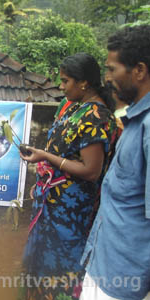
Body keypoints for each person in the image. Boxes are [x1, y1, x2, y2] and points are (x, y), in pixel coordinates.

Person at [20, 53, 118, 300]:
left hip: (70, 213)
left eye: (65, 81)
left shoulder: (96, 117)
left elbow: (91, 170)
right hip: (53, 204)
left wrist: (45, 157)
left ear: (83, 82)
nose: (61, 87)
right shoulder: (76, 108)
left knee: (61, 263)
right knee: (43, 260)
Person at [80, 25, 150, 300]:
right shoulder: (134, 122)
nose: (107, 78)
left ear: (140, 71)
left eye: (112, 69)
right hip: (106, 267)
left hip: (124, 282)